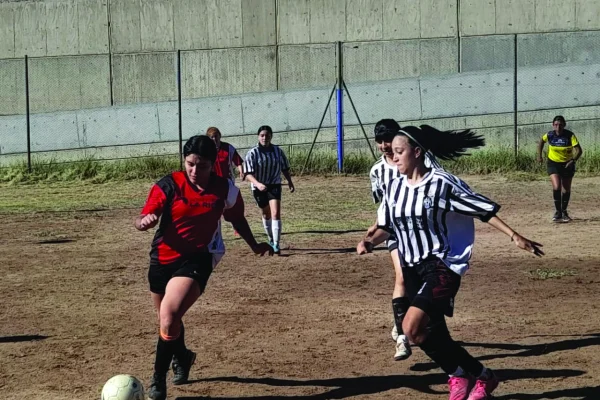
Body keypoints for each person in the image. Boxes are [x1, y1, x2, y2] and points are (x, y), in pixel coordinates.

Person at [358, 125, 544, 400]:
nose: (393, 158)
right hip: (412, 268)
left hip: (441, 266)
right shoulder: (393, 188)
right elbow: (387, 225)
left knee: (409, 329)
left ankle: (467, 376)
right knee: (428, 336)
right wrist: (370, 241)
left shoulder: (441, 183)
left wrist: (514, 235)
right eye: (392, 153)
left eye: (399, 152)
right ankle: (473, 376)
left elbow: (481, 208)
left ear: (418, 152)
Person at [135, 135, 272, 400]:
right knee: (168, 322)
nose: (196, 171)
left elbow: (237, 219)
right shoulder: (169, 184)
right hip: (162, 259)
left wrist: (254, 245)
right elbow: (143, 215)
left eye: (203, 166)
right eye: (190, 164)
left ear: (214, 164)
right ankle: (183, 356)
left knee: (169, 315)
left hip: (199, 257)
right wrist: (144, 221)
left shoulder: (225, 189)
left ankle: (157, 381)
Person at [358, 119, 444, 362]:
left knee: (418, 279)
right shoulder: (376, 171)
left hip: (420, 228)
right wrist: (377, 226)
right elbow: (383, 203)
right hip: (394, 229)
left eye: (389, 140)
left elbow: (436, 181)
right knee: (402, 276)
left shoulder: (418, 159)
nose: (385, 146)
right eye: (380, 141)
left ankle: (408, 322)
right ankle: (402, 339)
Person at [243, 125, 295, 254]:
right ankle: (271, 238)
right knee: (266, 214)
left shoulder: (278, 151)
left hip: (274, 184)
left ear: (271, 136)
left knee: (275, 212)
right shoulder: (252, 153)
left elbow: (284, 167)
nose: (264, 138)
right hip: (258, 186)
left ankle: (276, 244)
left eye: (267, 135)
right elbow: (248, 173)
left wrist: (289, 181)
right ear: (258, 137)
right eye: (262, 135)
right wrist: (258, 184)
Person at [537, 115, 583, 222]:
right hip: (553, 163)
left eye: (561, 125)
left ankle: (564, 211)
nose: (558, 127)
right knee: (557, 186)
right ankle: (558, 212)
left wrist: (572, 161)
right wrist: (539, 156)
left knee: (566, 189)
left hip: (567, 164)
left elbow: (579, 150)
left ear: (564, 125)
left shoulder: (570, 136)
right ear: (553, 125)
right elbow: (541, 142)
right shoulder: (549, 135)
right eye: (556, 125)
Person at [206, 126, 244, 236]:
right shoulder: (207, 150)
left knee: (232, 207)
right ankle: (215, 232)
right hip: (213, 184)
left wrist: (241, 171)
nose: (214, 139)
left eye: (215, 136)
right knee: (216, 209)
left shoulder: (228, 148)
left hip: (227, 183)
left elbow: (237, 161)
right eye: (211, 137)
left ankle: (237, 225)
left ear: (219, 136)